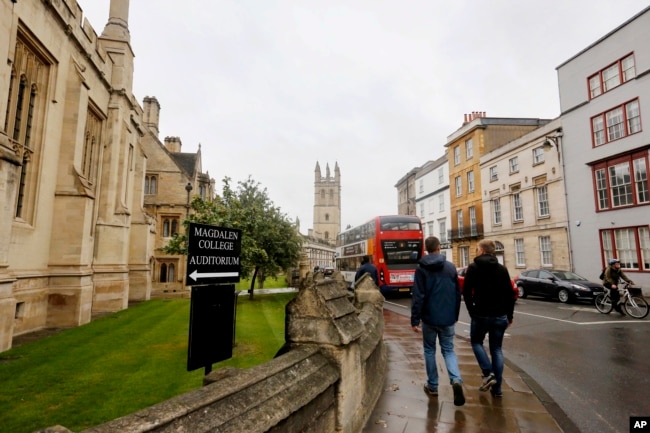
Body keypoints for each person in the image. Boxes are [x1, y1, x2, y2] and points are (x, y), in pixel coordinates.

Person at [411, 236, 465, 406]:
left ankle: (433, 386)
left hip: (429, 318)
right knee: (449, 350)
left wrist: (415, 320)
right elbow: (457, 294)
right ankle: (455, 379)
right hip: (447, 318)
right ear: (439, 247)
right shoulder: (450, 268)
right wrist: (455, 315)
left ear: (426, 249)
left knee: (429, 350)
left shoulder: (421, 269)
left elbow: (418, 296)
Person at [462, 239, 515, 398]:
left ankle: (488, 372)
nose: (476, 252)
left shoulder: (473, 268)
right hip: (500, 315)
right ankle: (497, 390)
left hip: (481, 314)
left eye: (477, 249)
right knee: (496, 349)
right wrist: (509, 315)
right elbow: (509, 294)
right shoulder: (502, 269)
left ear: (483, 251)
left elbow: (466, 292)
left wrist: (472, 312)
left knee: (476, 342)